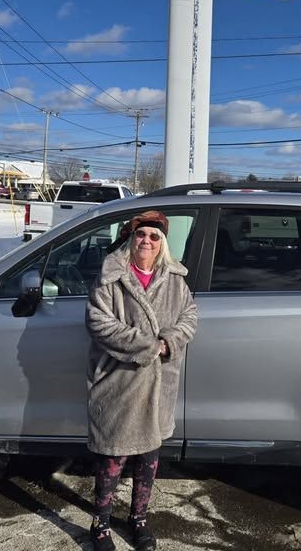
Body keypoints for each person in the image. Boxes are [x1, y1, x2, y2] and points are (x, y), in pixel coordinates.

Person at [85, 210, 198, 551]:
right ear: (131, 239)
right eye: (141, 235)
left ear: (162, 242)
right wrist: (150, 346)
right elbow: (99, 323)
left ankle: (139, 519)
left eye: (153, 236)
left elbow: (190, 316)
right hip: (120, 382)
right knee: (113, 456)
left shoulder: (175, 279)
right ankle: (100, 523)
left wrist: (170, 341)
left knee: (149, 458)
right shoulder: (110, 279)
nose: (146, 241)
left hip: (159, 384)